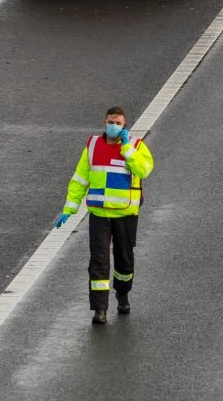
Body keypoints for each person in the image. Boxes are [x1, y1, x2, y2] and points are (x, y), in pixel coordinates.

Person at [56, 105, 155, 325]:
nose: (114, 126)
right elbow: (80, 179)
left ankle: (123, 294)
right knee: (98, 262)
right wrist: (69, 209)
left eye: (118, 123)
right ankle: (99, 309)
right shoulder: (92, 146)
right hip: (99, 215)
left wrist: (127, 149)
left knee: (124, 261)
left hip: (125, 214)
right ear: (104, 122)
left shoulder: (137, 146)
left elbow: (144, 170)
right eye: (111, 122)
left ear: (124, 126)